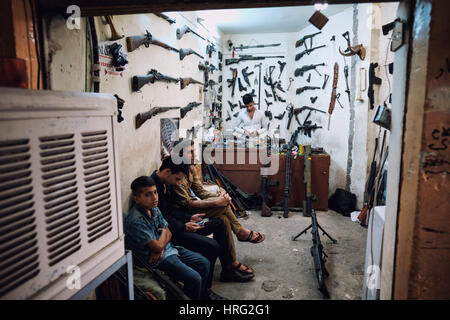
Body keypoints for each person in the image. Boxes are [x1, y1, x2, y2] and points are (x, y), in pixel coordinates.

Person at [171, 140, 266, 280]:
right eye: (190, 152)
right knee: (223, 206)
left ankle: (230, 265)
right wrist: (217, 202)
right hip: (185, 215)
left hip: (192, 206)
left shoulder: (190, 167)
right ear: (179, 155)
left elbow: (200, 191)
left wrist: (218, 196)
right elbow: (187, 204)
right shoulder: (176, 173)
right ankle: (240, 233)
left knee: (223, 217)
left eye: (194, 151)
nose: (194, 154)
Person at [151, 156, 254, 285]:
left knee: (220, 222)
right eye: (177, 179)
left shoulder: (167, 182)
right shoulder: (152, 189)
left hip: (182, 222)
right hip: (174, 233)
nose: (178, 183)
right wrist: (184, 225)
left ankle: (228, 269)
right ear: (167, 172)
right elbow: (164, 219)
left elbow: (172, 211)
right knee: (212, 246)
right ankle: (205, 291)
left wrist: (189, 218)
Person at [123, 176, 210, 300]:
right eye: (148, 195)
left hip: (168, 250)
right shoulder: (135, 220)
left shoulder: (154, 209)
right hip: (157, 260)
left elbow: (168, 233)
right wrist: (162, 238)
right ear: (136, 199)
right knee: (194, 278)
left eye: (155, 192)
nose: (154, 197)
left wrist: (162, 241)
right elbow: (158, 244)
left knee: (204, 263)